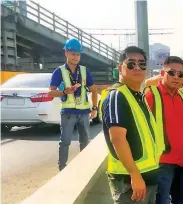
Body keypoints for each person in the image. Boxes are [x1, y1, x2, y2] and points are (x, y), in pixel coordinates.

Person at [101, 46, 165, 204]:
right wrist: (134, 175)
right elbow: (117, 139)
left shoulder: (138, 96)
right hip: (130, 182)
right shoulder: (117, 96)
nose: (137, 67)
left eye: (142, 64)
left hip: (147, 178)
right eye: (131, 64)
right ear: (120, 68)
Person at [144, 56, 183, 204]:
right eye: (171, 72)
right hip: (162, 163)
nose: (176, 77)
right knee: (161, 201)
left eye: (180, 74)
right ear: (162, 73)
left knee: (182, 200)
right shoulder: (151, 95)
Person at [48, 38, 98, 171]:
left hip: (83, 112)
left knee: (85, 141)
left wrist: (94, 108)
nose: (76, 57)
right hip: (68, 112)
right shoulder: (59, 71)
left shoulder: (84, 70)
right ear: (66, 53)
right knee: (65, 142)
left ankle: (85, 167)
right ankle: (62, 168)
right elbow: (50, 92)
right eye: (73, 54)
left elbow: (93, 89)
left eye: (78, 54)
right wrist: (65, 91)